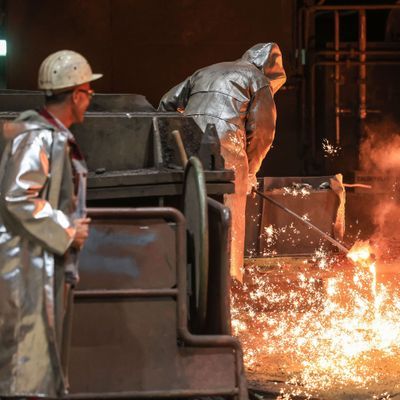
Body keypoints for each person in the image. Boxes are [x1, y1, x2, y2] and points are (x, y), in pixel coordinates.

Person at [0, 50, 102, 398]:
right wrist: (69, 229)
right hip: (23, 264)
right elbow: (17, 196)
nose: (89, 101)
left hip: (37, 260)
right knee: (25, 364)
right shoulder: (37, 136)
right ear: (76, 95)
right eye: (88, 93)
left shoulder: (49, 134)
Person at [159, 43, 286, 282]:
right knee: (229, 220)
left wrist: (171, 140)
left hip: (188, 147)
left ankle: (182, 280)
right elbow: (262, 133)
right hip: (227, 149)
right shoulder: (258, 79)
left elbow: (167, 102)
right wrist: (250, 171)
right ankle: (226, 286)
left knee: (188, 210)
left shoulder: (205, 71)